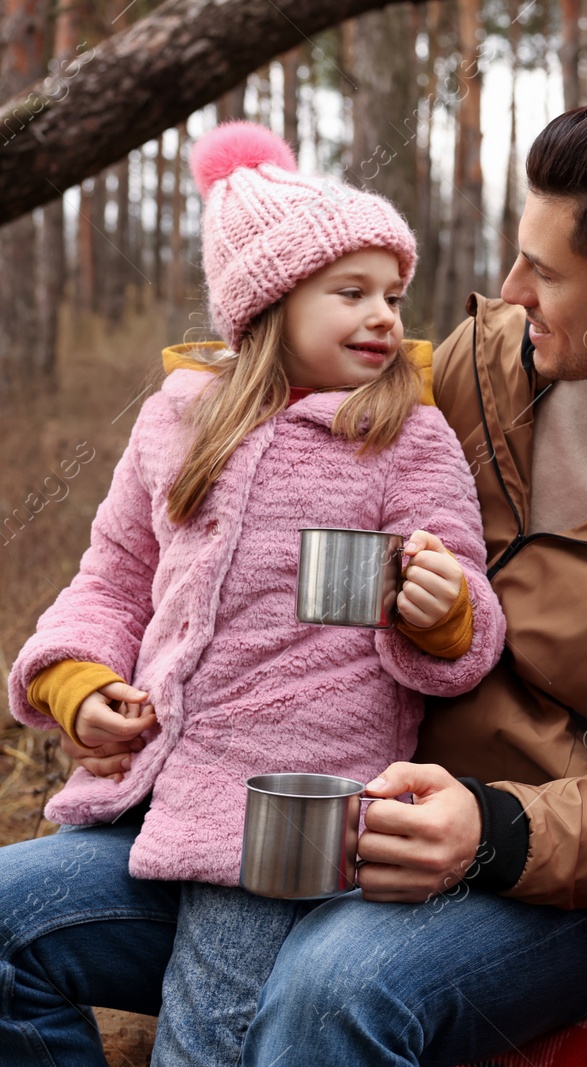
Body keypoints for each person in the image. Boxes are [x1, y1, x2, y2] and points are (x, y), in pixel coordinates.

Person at [1, 98, 587, 1065]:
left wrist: (489, 829)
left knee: (331, 989)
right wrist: (117, 689)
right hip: (303, 810)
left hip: (544, 881)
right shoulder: (476, 372)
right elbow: (248, 451)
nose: (507, 289)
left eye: (545, 272)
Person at [1, 123, 507, 1066]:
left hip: (285, 824)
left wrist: (444, 613)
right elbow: (109, 578)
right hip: (149, 801)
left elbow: (472, 612)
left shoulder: (407, 433)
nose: (385, 317)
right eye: (350, 293)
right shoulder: (176, 422)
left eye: (393, 294)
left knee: (208, 1039)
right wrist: (77, 683)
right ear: (268, 304)